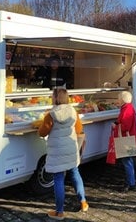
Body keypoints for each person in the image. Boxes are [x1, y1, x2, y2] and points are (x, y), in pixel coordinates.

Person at [38, 88, 88, 220]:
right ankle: (83, 202)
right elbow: (79, 129)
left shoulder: (50, 115)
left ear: (56, 98)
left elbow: (42, 132)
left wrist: (41, 124)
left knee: (59, 179)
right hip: (71, 148)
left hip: (57, 151)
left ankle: (59, 212)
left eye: (52, 96)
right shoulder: (73, 111)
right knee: (75, 173)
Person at [112, 91, 136, 192]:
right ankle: (130, 181)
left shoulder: (127, 109)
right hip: (130, 137)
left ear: (123, 99)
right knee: (128, 161)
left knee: (127, 161)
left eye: (118, 98)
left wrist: (116, 126)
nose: (117, 100)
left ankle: (130, 183)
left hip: (126, 138)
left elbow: (125, 126)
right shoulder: (128, 107)